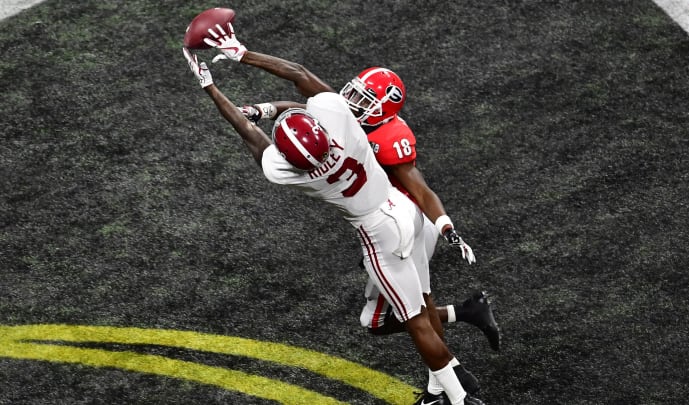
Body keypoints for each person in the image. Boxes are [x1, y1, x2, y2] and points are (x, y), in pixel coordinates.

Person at [182, 41, 487, 405]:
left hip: (380, 237)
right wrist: (242, 53)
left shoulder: (294, 173)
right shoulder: (344, 127)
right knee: (417, 306)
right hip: (403, 214)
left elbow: (249, 133)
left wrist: (210, 87)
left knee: (413, 319)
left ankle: (458, 398)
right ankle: (445, 387)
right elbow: (300, 76)